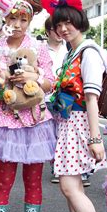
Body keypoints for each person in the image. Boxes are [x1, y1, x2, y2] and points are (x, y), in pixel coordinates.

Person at [0, 0, 56, 212]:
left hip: (36, 122)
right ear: (4, 18)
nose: (17, 23)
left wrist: (33, 76)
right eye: (12, 17)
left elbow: (51, 82)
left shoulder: (39, 47)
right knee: (3, 182)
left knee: (34, 182)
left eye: (23, 19)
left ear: (30, 20)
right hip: (7, 122)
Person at [41, 0, 107, 212]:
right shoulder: (75, 52)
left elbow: (92, 98)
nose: (62, 28)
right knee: (73, 184)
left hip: (81, 124)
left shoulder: (89, 51)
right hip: (70, 123)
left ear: (80, 20)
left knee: (70, 186)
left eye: (68, 22)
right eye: (58, 24)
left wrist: (95, 138)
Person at [44, 16, 67, 185]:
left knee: (65, 131)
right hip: (46, 97)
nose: (59, 31)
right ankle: (56, 166)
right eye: (55, 28)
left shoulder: (69, 49)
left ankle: (68, 167)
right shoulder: (41, 51)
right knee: (52, 134)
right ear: (47, 32)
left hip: (65, 96)